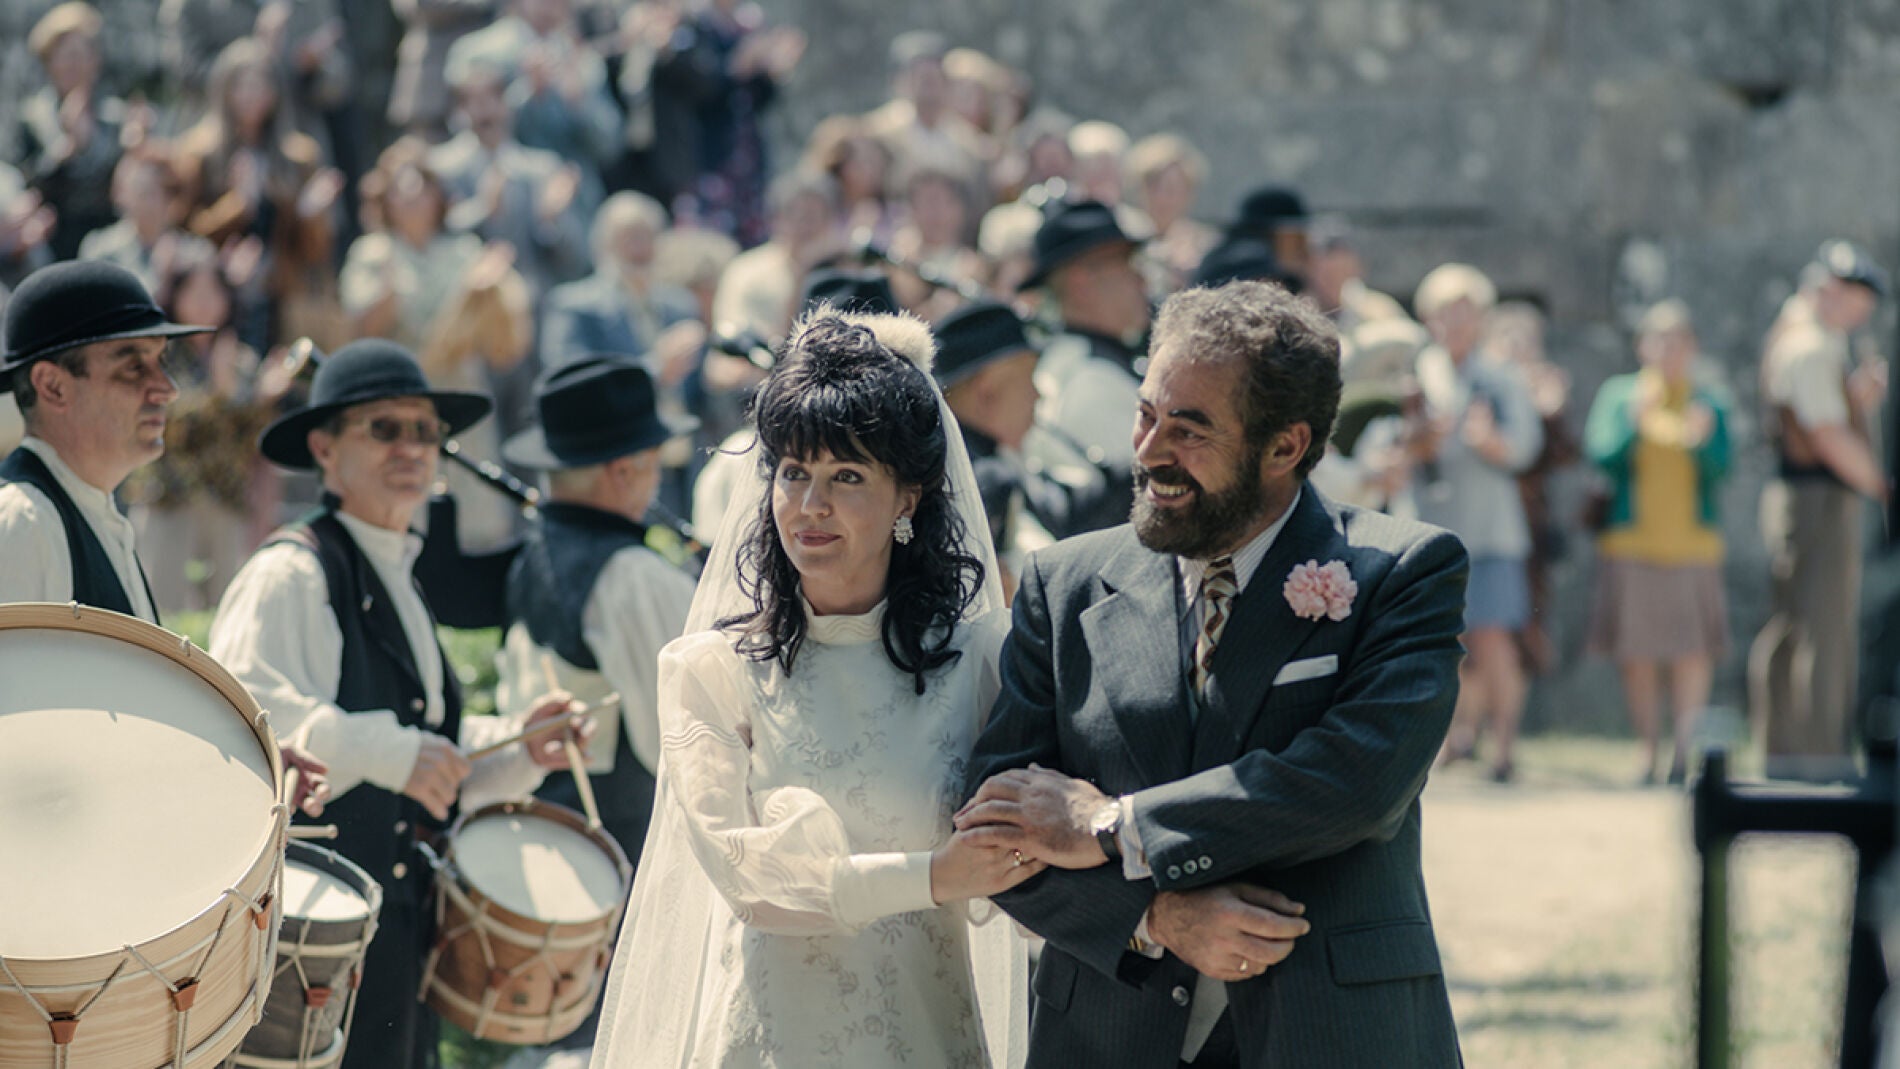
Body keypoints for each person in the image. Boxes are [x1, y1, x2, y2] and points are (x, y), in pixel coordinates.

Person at [957, 279, 1465, 1068]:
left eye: (1188, 429)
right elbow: (997, 829)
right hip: (1106, 1037)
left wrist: (1114, 828)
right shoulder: (1064, 584)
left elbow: (1355, 781)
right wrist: (1154, 917)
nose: (1150, 449)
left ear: (1285, 446)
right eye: (1146, 413)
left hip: (1331, 1035)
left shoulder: (1400, 573)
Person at [587, 308, 1030, 1068]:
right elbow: (747, 877)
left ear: (909, 498)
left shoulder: (984, 661)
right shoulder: (710, 671)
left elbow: (1024, 862)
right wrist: (936, 875)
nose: (810, 505)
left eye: (847, 476)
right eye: (794, 473)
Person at [208, 339, 577, 1069]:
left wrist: (517, 745)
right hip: (305, 949)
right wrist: (395, 752)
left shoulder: (396, 568)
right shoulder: (290, 572)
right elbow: (246, 729)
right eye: (384, 428)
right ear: (324, 448)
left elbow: (424, 740)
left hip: (394, 934)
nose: (412, 446)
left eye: (425, 430)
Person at [493, 356, 699, 1056]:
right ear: (624, 470)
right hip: (624, 881)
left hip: (543, 867)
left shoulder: (533, 555)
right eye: (652, 465)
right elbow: (693, 741)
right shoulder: (635, 576)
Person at [1750, 240, 1891, 781]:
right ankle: (1819, 760)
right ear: (1833, 291)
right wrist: (1880, 484)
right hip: (1817, 500)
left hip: (1803, 497)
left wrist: (1857, 400)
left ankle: (1789, 755)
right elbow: (1826, 436)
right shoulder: (1810, 346)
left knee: (1795, 626)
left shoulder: (1800, 340)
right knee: (1821, 631)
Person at [0, 260, 208, 619]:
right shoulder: (24, 523)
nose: (167, 389)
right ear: (53, 386)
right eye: (133, 367)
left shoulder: (85, 514)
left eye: (162, 362)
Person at [1584, 299, 1732, 785]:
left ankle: (1684, 755)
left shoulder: (1706, 403)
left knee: (1691, 652)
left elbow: (1722, 469)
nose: (1669, 350)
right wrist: (1632, 423)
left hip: (1692, 545)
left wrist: (1704, 442)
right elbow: (1602, 456)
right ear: (1643, 345)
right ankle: (1648, 750)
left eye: (1679, 340)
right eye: (1660, 339)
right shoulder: (1620, 396)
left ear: (1692, 348)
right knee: (1638, 653)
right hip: (1632, 544)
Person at [1404, 263, 1542, 782]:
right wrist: (1422, 442)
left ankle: (1504, 748)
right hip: (1429, 529)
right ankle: (1450, 742)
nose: (1455, 322)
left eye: (1466, 311)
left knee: (1492, 642)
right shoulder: (1417, 374)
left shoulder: (1500, 376)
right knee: (1439, 645)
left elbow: (1525, 448)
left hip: (1490, 531)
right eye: (1446, 311)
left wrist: (1489, 442)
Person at [933, 299, 1125, 591]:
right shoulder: (978, 480)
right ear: (988, 394)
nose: (1038, 395)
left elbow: (1063, 511)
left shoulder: (989, 461)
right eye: (1029, 380)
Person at [1026, 199, 1152, 473]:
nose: (1142, 280)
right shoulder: (1089, 381)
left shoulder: (1082, 364)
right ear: (1081, 283)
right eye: (1127, 263)